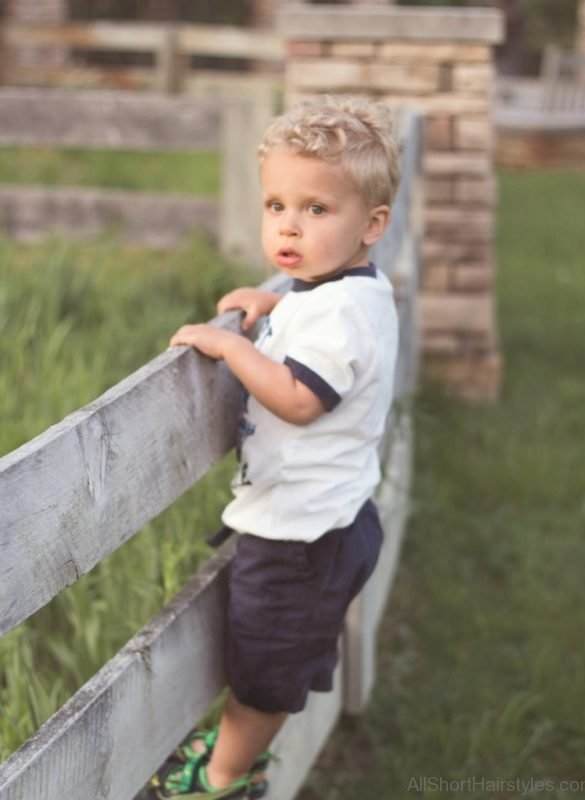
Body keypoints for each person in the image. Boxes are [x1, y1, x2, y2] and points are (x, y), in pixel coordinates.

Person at [145, 95, 401, 799]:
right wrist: (278, 305)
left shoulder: (342, 313)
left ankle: (222, 782)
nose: (289, 223)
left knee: (265, 669)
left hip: (301, 538)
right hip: (322, 520)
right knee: (270, 653)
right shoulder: (341, 291)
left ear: (372, 225)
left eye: (317, 210)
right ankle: (232, 756)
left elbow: (298, 396)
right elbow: (324, 317)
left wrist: (230, 343)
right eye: (276, 205)